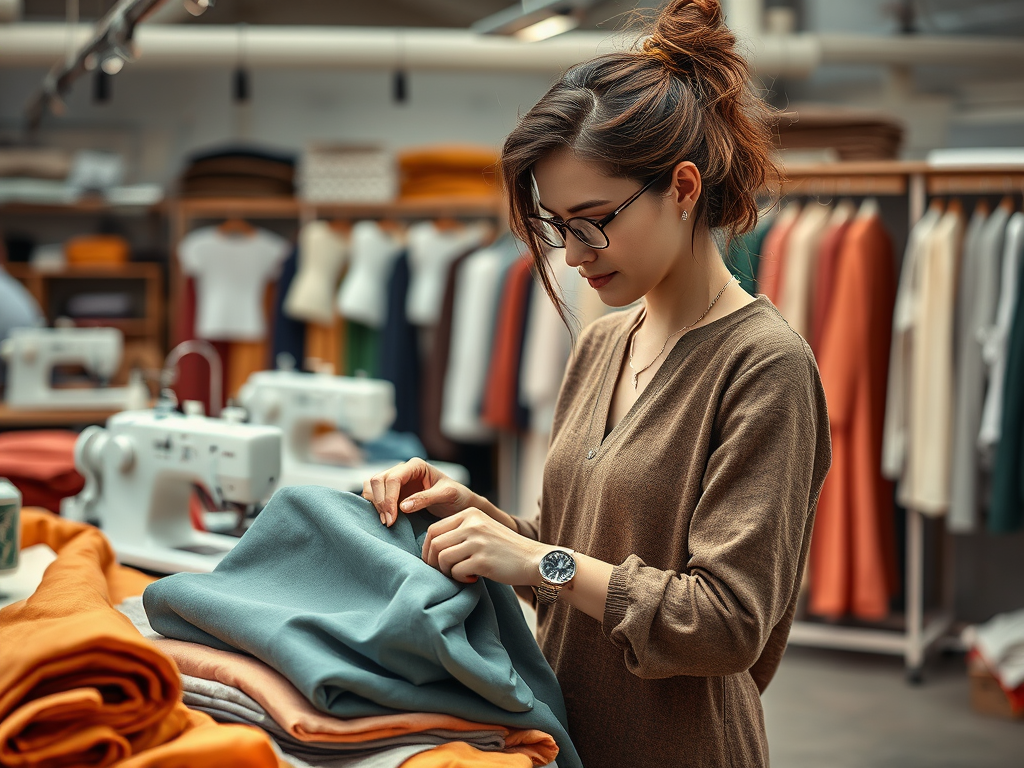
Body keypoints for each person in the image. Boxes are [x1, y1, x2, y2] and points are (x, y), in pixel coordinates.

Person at [363, 1, 831, 765]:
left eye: (593, 220)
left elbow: (726, 623)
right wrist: (474, 519)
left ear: (683, 189)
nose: (574, 254)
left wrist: (535, 561)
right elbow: (567, 556)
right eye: (558, 226)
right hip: (566, 734)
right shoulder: (605, 343)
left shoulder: (763, 366)